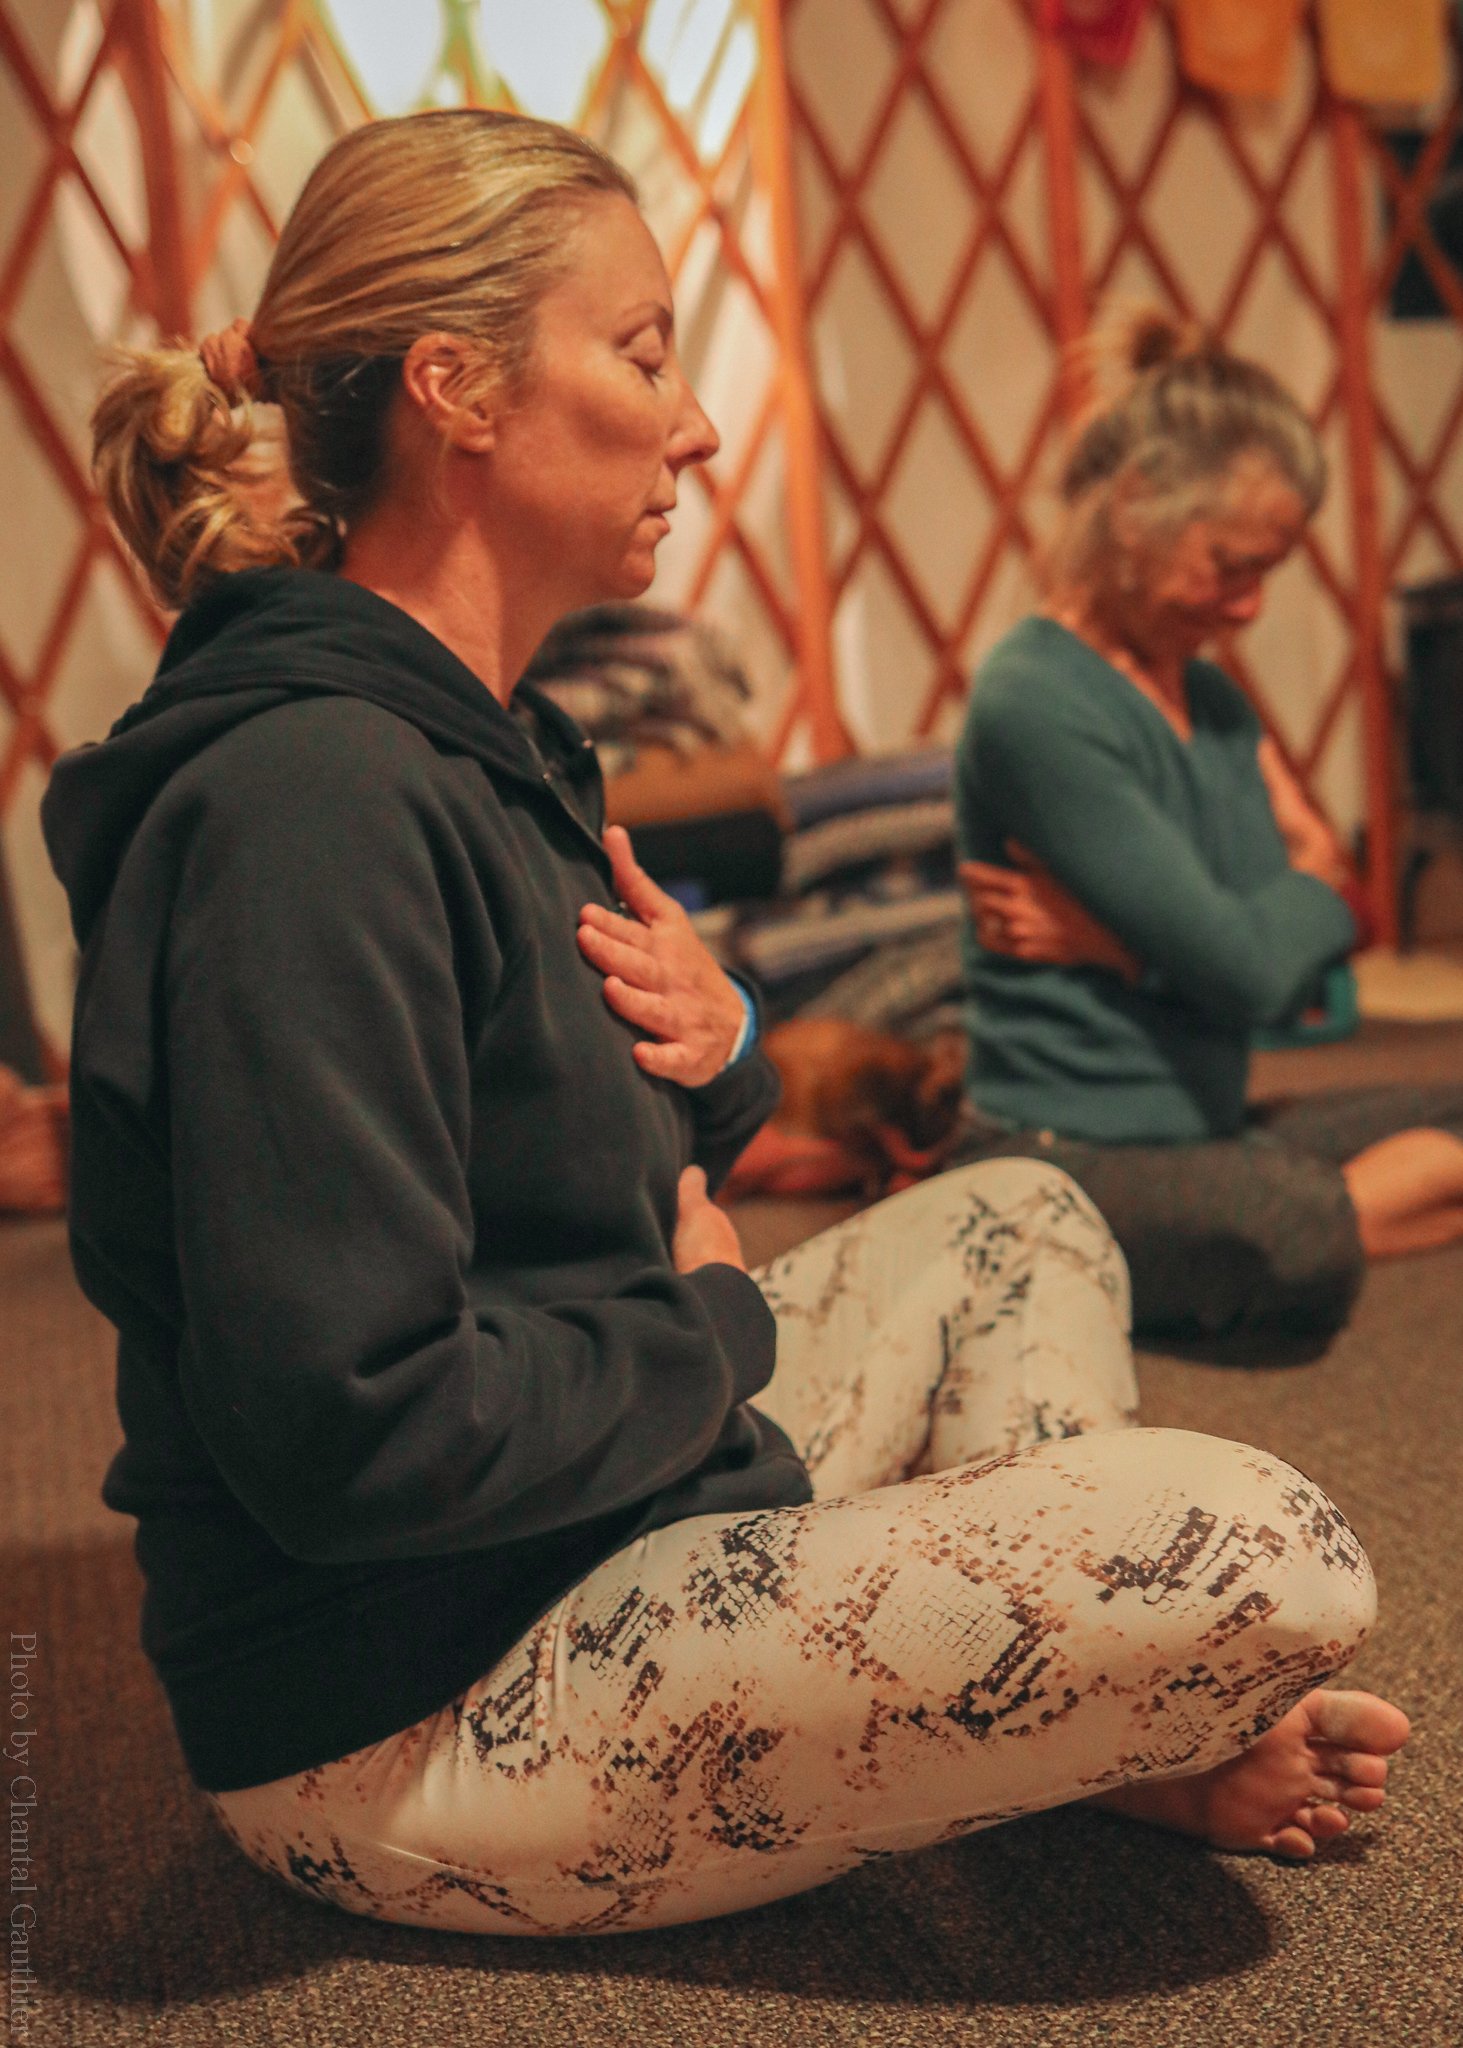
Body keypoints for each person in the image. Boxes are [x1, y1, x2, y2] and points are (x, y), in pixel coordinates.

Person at [45, 113, 1406, 1939]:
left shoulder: (496, 747)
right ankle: (1077, 1717)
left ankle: (1068, 1724)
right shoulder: (307, 809)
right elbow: (352, 1435)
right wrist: (707, 1320)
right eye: (640, 354)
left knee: (1023, 1218)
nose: (691, 423)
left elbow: (589, 1160)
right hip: (422, 1696)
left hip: (597, 1498)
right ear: (456, 387)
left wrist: (728, 1044)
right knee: (1265, 1551)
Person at [956, 311, 1463, 1342]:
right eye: (1231, 565)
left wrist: (1129, 955)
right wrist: (1306, 885)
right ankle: (1305, 1224)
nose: (1250, 607)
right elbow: (1256, 964)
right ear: (1134, 505)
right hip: (1060, 1151)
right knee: (1286, 1231)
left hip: (1206, 1125)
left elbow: (1310, 960)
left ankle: (1289, 1222)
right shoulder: (1033, 702)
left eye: (1268, 571)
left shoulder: (1214, 704)